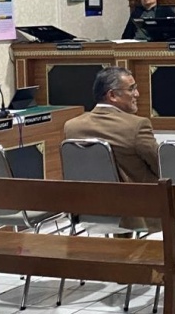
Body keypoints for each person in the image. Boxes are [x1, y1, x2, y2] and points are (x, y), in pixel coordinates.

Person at [64, 67, 159, 230]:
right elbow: (161, 165)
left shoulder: (71, 127)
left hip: (87, 209)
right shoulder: (136, 126)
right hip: (136, 213)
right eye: (131, 89)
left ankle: (124, 244)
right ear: (112, 95)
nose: (137, 94)